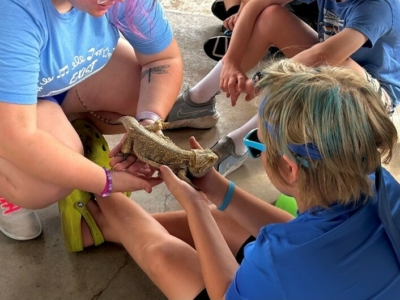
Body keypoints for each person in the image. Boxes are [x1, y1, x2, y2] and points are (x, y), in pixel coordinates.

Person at [81, 60, 400, 299]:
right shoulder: (377, 181)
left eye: (255, 143)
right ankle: (101, 225)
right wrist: (215, 188)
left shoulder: (280, 262)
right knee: (229, 220)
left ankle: (98, 200)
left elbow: (224, 292)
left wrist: (195, 206)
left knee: (163, 255)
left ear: (290, 169)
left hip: (288, 279)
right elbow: (290, 232)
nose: (253, 149)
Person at [0, 0, 182, 244]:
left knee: (144, 95)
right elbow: (17, 136)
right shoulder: (11, 10)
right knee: (45, 187)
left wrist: (147, 124)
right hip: (9, 110)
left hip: (49, 81)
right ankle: (10, 176)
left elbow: (162, 59)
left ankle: (57, 139)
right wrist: (105, 181)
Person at [166, 0, 400, 177]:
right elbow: (258, 3)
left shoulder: (379, 7)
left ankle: (240, 142)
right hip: (328, 66)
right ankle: (198, 101)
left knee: (317, 71)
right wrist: (232, 61)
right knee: (271, 16)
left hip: (373, 101)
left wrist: (263, 78)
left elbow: (324, 55)